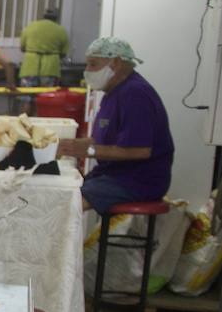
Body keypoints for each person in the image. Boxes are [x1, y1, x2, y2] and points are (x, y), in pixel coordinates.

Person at [56, 37, 174, 213]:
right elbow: (105, 141)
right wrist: (70, 145)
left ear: (116, 63)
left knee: (65, 208)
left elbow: (140, 150)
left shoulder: (135, 94)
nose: (87, 71)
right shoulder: (113, 93)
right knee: (60, 191)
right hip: (112, 175)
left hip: (137, 181)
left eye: (93, 64)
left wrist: (88, 150)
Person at [19, 7, 70, 87]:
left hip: (29, 66)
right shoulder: (61, 30)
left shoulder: (30, 27)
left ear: (43, 16)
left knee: (26, 94)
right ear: (56, 18)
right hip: (50, 68)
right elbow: (63, 53)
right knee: (47, 96)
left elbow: (22, 48)